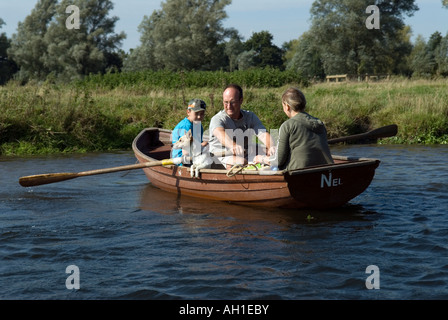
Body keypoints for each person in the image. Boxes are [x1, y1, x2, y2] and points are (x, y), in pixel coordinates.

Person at [253, 87, 333, 170]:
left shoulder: (287, 125)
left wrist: (261, 158)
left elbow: (278, 161)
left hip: (299, 173)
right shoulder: (319, 122)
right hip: (325, 170)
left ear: (287, 106)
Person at [208, 84, 275, 169]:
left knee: (271, 156)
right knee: (241, 162)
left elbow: (263, 134)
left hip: (244, 154)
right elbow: (219, 133)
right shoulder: (217, 119)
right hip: (220, 156)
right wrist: (233, 146)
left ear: (241, 101)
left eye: (232, 102)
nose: (229, 106)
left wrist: (271, 146)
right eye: (226, 102)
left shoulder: (250, 116)